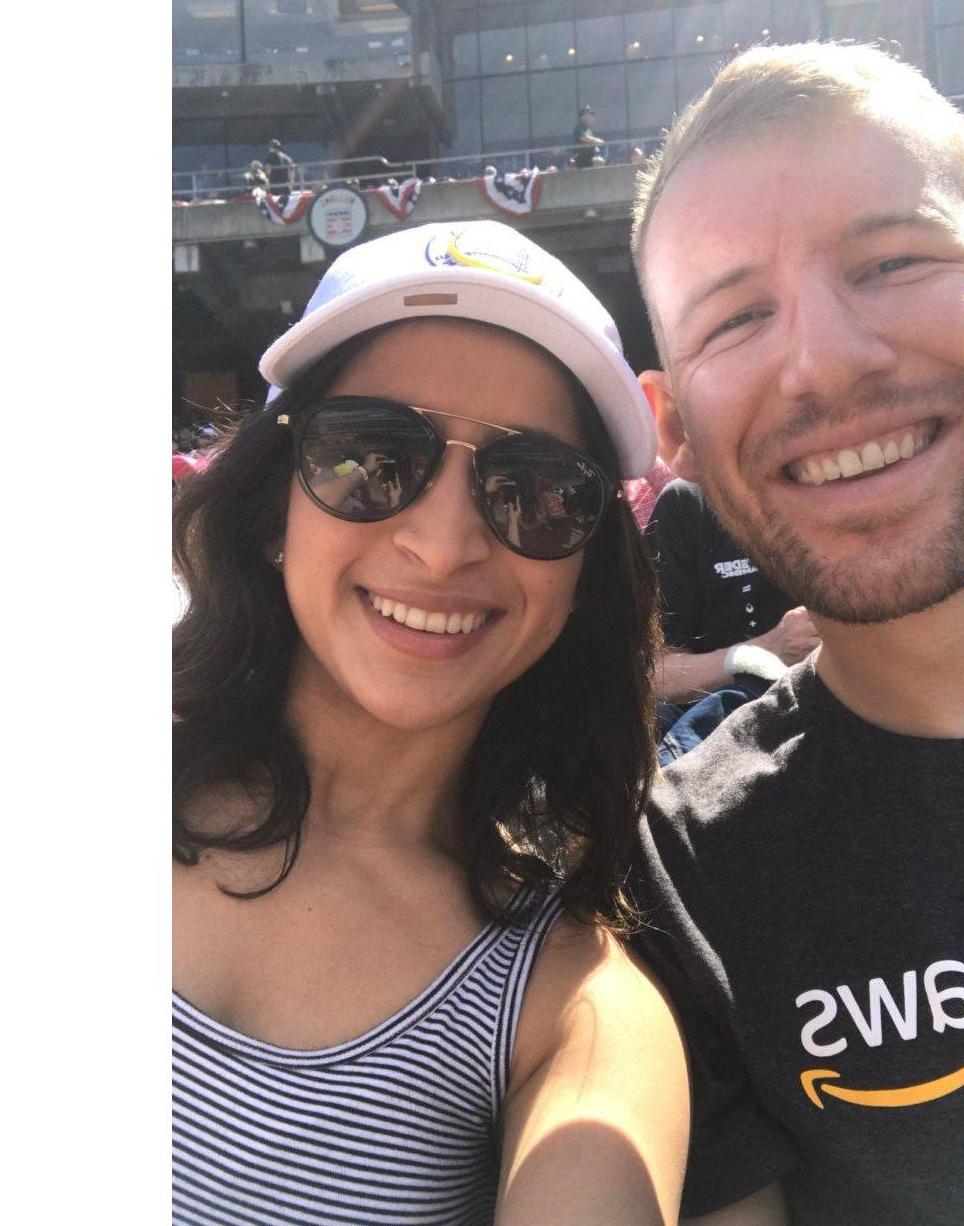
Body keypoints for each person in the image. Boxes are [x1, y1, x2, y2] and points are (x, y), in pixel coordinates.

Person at [172, 220, 689, 1224]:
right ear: (276, 506)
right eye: (371, 453)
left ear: (585, 574)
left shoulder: (568, 1011)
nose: (443, 542)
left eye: (535, 490)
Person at [629, 42, 964, 1225]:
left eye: (892, 260)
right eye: (737, 317)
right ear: (675, 431)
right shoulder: (679, 877)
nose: (826, 361)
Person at [647, 476, 819, 706]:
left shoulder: (842, 493)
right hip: (733, 721)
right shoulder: (686, 504)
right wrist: (766, 650)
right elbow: (656, 676)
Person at [572, 105, 605, 169]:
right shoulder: (579, 126)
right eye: (590, 114)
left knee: (600, 161)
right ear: (582, 116)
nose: (592, 116)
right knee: (598, 162)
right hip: (581, 155)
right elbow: (583, 138)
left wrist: (596, 145)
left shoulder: (587, 129)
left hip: (590, 155)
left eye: (592, 114)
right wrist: (597, 141)